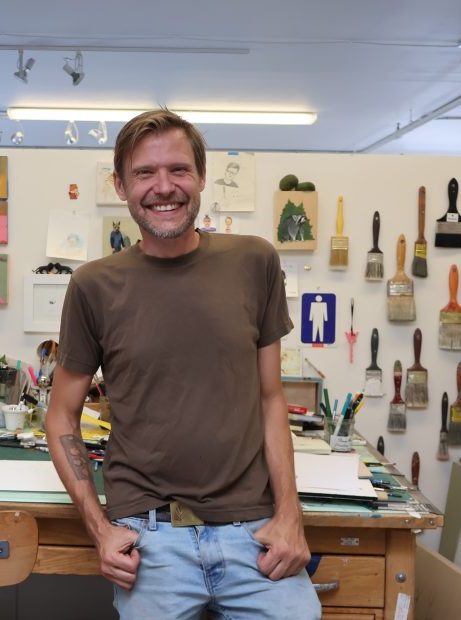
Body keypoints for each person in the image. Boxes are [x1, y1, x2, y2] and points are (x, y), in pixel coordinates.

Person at [46, 109, 320, 619]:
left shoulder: (255, 262)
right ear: (120, 185)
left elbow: (271, 398)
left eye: (178, 170)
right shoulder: (92, 286)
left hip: (252, 531)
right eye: (144, 173)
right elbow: (61, 416)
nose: (164, 187)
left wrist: (290, 516)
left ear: (201, 176)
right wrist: (100, 529)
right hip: (149, 537)